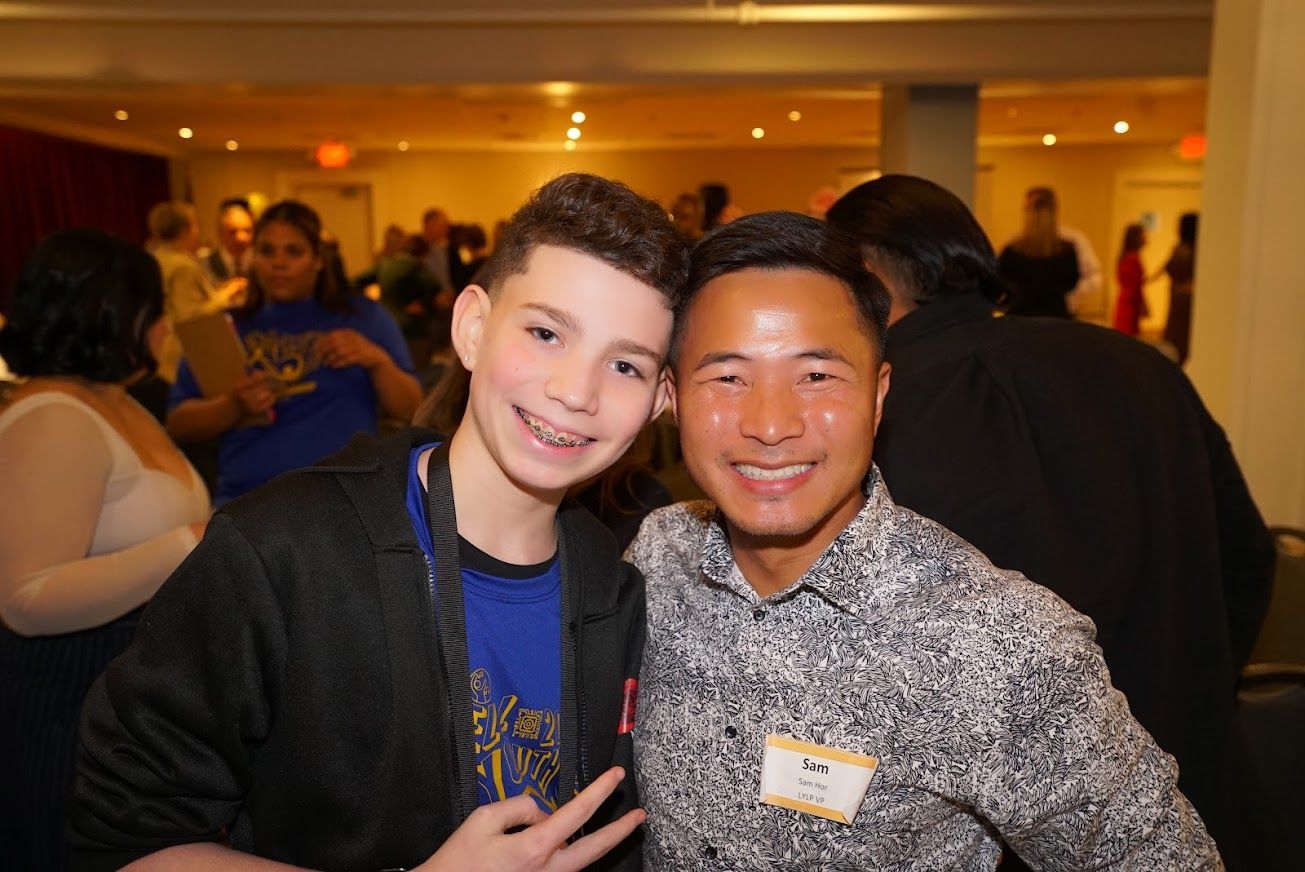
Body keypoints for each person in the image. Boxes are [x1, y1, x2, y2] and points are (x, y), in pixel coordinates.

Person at [70, 172, 689, 871]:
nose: (575, 391)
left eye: (625, 366)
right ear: (473, 328)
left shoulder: (618, 590)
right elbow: (127, 839)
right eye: (545, 333)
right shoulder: (283, 552)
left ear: (660, 399)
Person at [627, 211, 1221, 869]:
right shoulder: (654, 560)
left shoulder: (999, 643)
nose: (770, 424)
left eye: (817, 376)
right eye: (728, 377)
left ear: (878, 396)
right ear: (672, 397)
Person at [826, 175, 1274, 868]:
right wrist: (1191, 684)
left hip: (987, 826)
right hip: (1194, 787)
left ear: (865, 277)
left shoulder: (871, 412)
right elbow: (1246, 557)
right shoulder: (1139, 367)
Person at [0, 229, 210, 870]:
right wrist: (191, 545)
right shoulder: (55, 415)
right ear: (117, 313)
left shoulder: (116, 401)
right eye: (155, 308)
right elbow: (24, 600)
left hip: (126, 683)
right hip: (67, 690)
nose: (165, 324)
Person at [165, 200, 422, 504]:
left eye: (294, 251)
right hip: (248, 504)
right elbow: (179, 425)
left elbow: (412, 408)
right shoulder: (224, 329)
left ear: (317, 259)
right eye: (267, 251)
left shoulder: (362, 317)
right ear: (254, 256)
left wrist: (377, 361)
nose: (279, 263)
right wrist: (231, 406)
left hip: (344, 502)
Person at [147, 200, 246, 383]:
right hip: (178, 357)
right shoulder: (182, 266)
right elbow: (190, 317)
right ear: (186, 230)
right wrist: (226, 296)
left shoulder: (156, 258)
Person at [997, 186, 1079, 318]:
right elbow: (1072, 283)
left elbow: (999, 281)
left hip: (1022, 317)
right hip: (1056, 317)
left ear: (1027, 214)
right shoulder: (1067, 250)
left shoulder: (1013, 251)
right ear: (1054, 213)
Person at [1163, 211, 1199, 364]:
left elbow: (1170, 269)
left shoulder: (1181, 249)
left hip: (1180, 297)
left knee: (1178, 337)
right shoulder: (1189, 250)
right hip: (1186, 297)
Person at [200, 197, 255, 284]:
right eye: (233, 232)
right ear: (220, 234)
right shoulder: (205, 264)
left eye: (247, 231)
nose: (241, 238)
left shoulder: (261, 261)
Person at [1113, 222, 1149, 335]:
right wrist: (1143, 303)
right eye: (1143, 235)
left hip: (1127, 302)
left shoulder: (1127, 256)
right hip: (1130, 304)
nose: (1146, 237)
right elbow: (1135, 286)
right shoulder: (1133, 258)